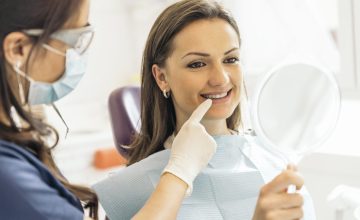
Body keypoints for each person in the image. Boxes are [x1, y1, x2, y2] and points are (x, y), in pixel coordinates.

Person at [93, 0, 317, 219]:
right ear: (162, 77)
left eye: (230, 59)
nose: (220, 79)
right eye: (197, 64)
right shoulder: (134, 186)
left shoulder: (275, 159)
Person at [0, 0, 215, 219]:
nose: (220, 79)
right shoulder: (7, 173)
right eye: (74, 42)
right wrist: (180, 171)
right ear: (18, 48)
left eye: (232, 59)